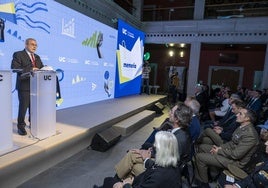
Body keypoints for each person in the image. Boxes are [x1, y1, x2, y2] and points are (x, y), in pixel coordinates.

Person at [113, 103, 192, 180]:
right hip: (159, 161)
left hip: (161, 172)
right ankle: (116, 181)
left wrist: (146, 158)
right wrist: (146, 151)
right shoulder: (180, 132)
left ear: (177, 119)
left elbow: (165, 167)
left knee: (133, 166)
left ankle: (115, 181)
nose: (169, 113)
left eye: (171, 112)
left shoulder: (178, 140)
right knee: (131, 154)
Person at [193, 107, 259, 188]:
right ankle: (208, 175)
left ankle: (203, 184)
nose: (237, 115)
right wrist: (220, 148)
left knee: (199, 157)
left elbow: (236, 155)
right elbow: (232, 143)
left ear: (247, 118)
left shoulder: (250, 135)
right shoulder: (242, 127)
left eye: (240, 114)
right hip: (230, 153)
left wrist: (219, 151)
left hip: (236, 162)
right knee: (202, 147)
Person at [95, 131, 182, 188]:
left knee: (108, 180)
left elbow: (154, 177)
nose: (152, 149)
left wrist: (126, 185)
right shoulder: (172, 166)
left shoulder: (158, 177)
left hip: (137, 183)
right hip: (141, 180)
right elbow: (154, 168)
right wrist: (146, 159)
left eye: (155, 146)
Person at [11, 38, 44, 135]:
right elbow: (14, 68)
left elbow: (41, 68)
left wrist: (46, 68)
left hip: (35, 86)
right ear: (26, 45)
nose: (34, 46)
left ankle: (33, 123)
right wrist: (30, 69)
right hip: (24, 86)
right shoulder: (18, 54)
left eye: (36, 45)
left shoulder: (37, 57)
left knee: (34, 107)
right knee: (23, 107)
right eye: (32, 44)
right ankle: (21, 126)